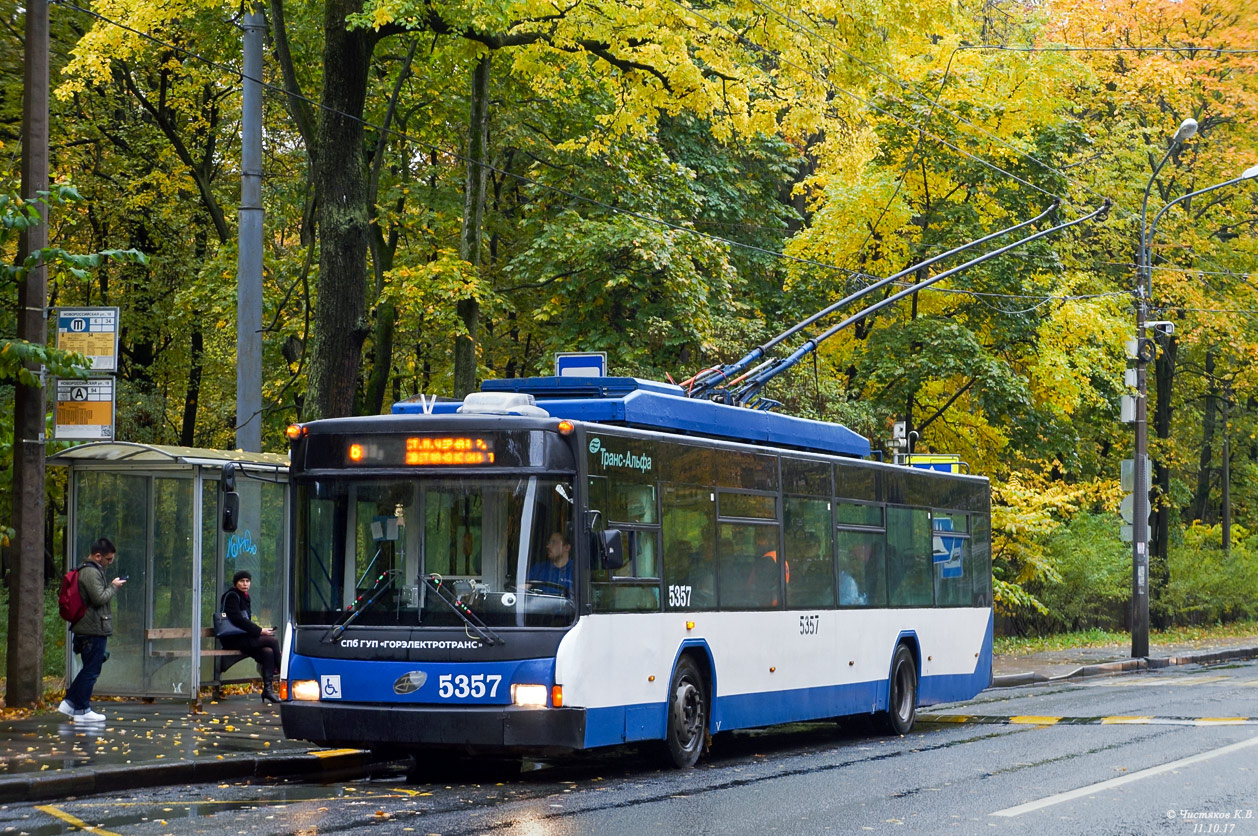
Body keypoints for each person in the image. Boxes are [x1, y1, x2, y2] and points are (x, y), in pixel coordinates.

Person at [59, 537, 125, 724]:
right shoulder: (90, 572)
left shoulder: (89, 570)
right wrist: (113, 586)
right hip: (92, 628)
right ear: (98, 556)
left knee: (90, 668)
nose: (110, 563)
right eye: (108, 559)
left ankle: (71, 702)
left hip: (90, 627)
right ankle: (81, 709)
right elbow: (99, 598)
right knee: (92, 670)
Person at [218, 570, 282, 703]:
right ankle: (283, 671)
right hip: (232, 639)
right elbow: (237, 620)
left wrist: (259, 631)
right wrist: (260, 631)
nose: (245, 584)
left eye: (247, 581)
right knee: (272, 640)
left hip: (243, 638)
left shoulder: (245, 597)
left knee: (268, 652)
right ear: (236, 583)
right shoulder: (232, 596)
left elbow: (246, 620)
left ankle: (268, 690)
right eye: (241, 581)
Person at [527, 531, 573, 595]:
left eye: (553, 542)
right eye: (548, 542)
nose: (548, 546)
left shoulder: (577, 572)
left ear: (567, 547)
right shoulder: (538, 569)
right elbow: (523, 588)